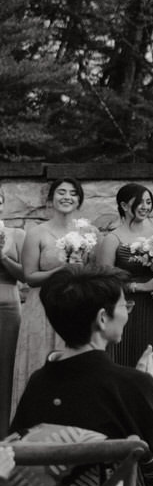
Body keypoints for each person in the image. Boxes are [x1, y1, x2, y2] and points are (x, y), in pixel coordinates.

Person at [9, 264, 153, 486]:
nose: (128, 312)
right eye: (123, 305)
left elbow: (18, 452)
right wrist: (148, 390)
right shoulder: (130, 385)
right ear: (103, 319)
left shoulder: (39, 382)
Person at [12, 178, 91, 415]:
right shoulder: (37, 233)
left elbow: (92, 272)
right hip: (42, 307)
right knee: (40, 362)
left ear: (79, 199)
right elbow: (29, 276)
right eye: (61, 192)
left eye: (73, 193)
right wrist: (60, 270)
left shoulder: (88, 233)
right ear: (51, 199)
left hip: (77, 307)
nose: (67, 197)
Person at [96, 183, 153, 369]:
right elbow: (104, 283)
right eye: (139, 202)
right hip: (126, 309)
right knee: (126, 359)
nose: (145, 207)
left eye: (148, 202)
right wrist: (141, 287)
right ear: (123, 206)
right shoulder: (112, 240)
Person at [0, 191, 23, 435]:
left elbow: (25, 275)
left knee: (6, 369)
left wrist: (2, 258)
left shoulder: (17, 234)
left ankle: (4, 434)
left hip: (8, 305)